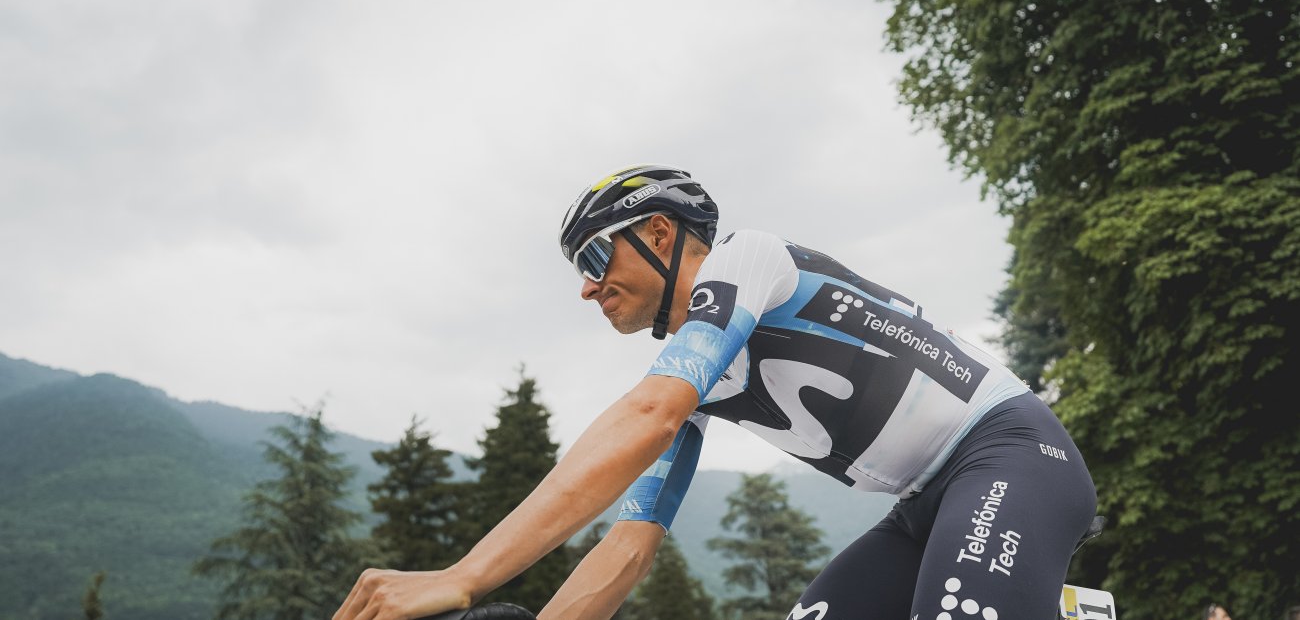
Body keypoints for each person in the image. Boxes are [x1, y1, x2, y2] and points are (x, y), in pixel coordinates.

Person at [335, 166, 1098, 620]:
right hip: (921, 510)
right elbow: (628, 548)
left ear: (660, 235)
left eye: (595, 258)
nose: (588, 288)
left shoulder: (747, 261)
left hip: (1009, 456)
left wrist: (462, 577)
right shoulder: (698, 382)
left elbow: (647, 414)